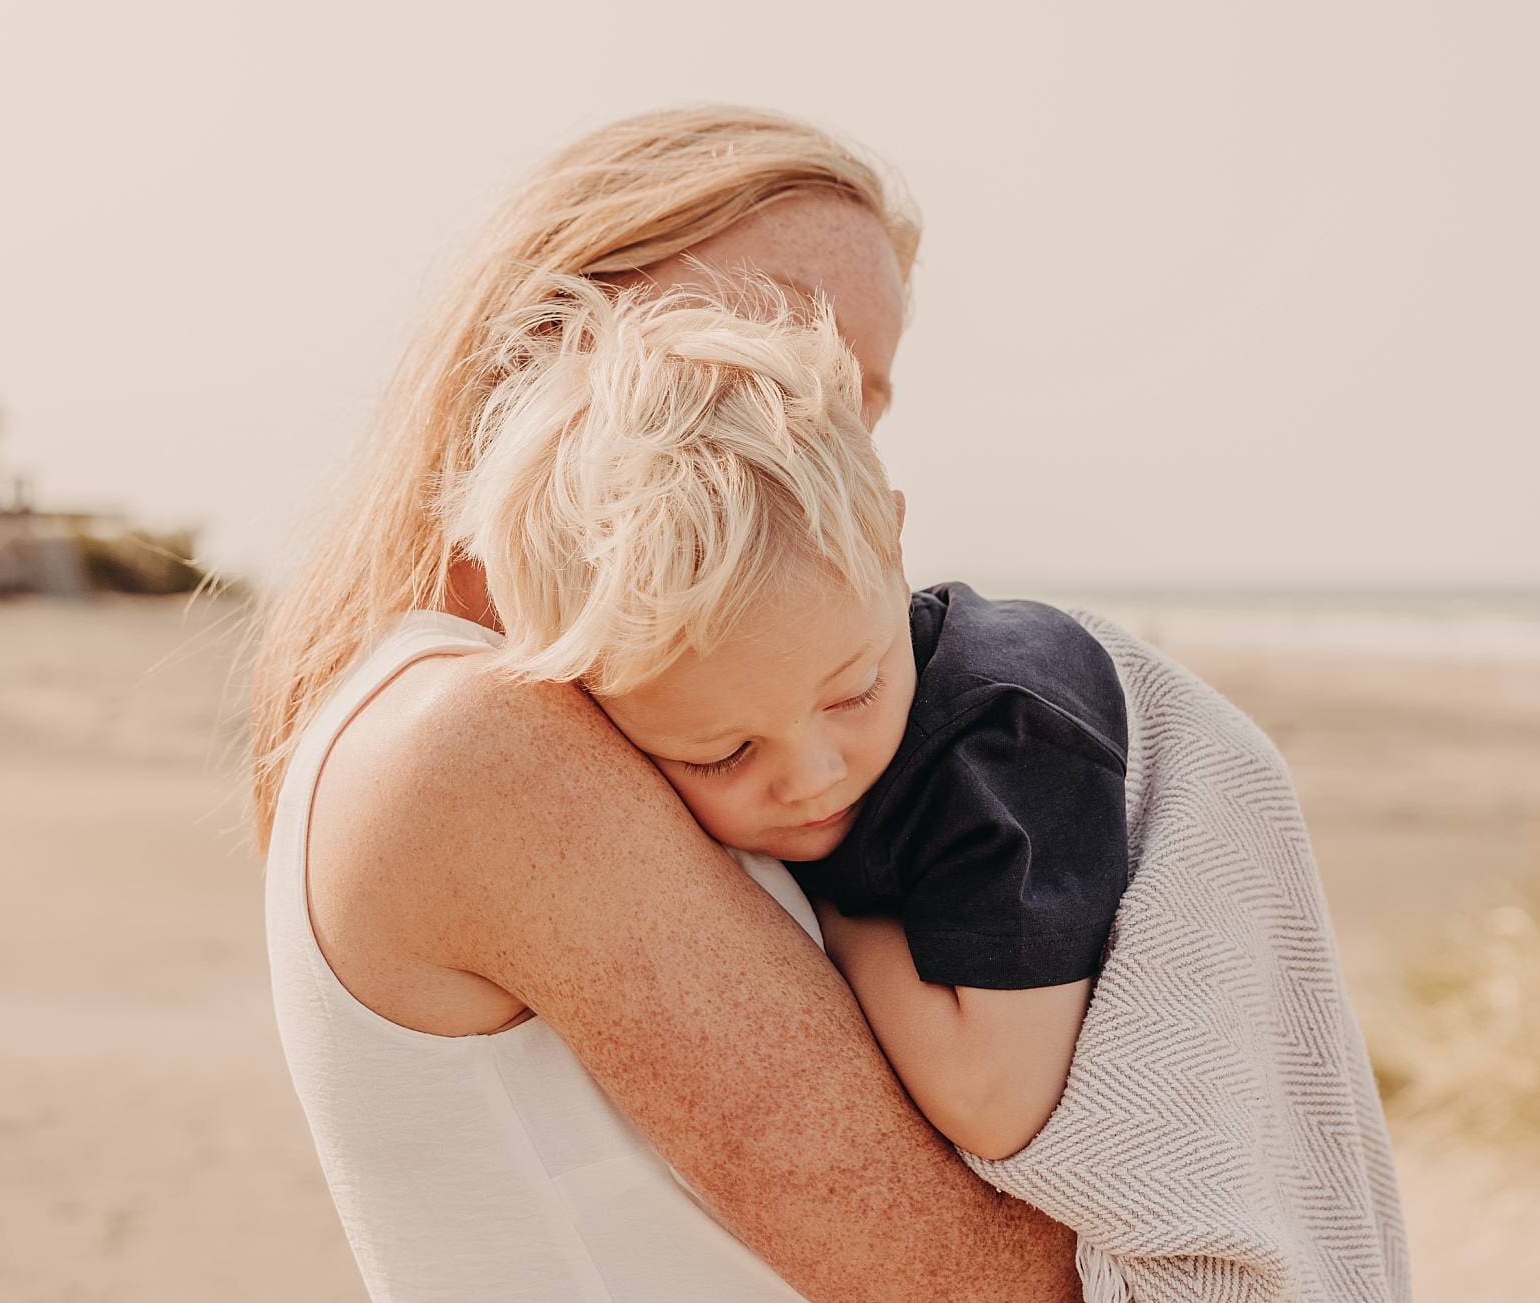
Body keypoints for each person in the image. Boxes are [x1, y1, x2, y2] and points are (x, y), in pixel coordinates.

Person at [251, 106, 1084, 1301]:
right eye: (759, 346)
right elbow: (979, 1282)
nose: (803, 437)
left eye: (855, 401)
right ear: (551, 334)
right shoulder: (479, 747)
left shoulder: (628, 737)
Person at [449, 279, 1134, 1165]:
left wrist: (836, 929)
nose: (812, 776)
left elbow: (996, 1097)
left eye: (853, 693)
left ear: (892, 547)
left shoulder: (1005, 732)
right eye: (722, 752)